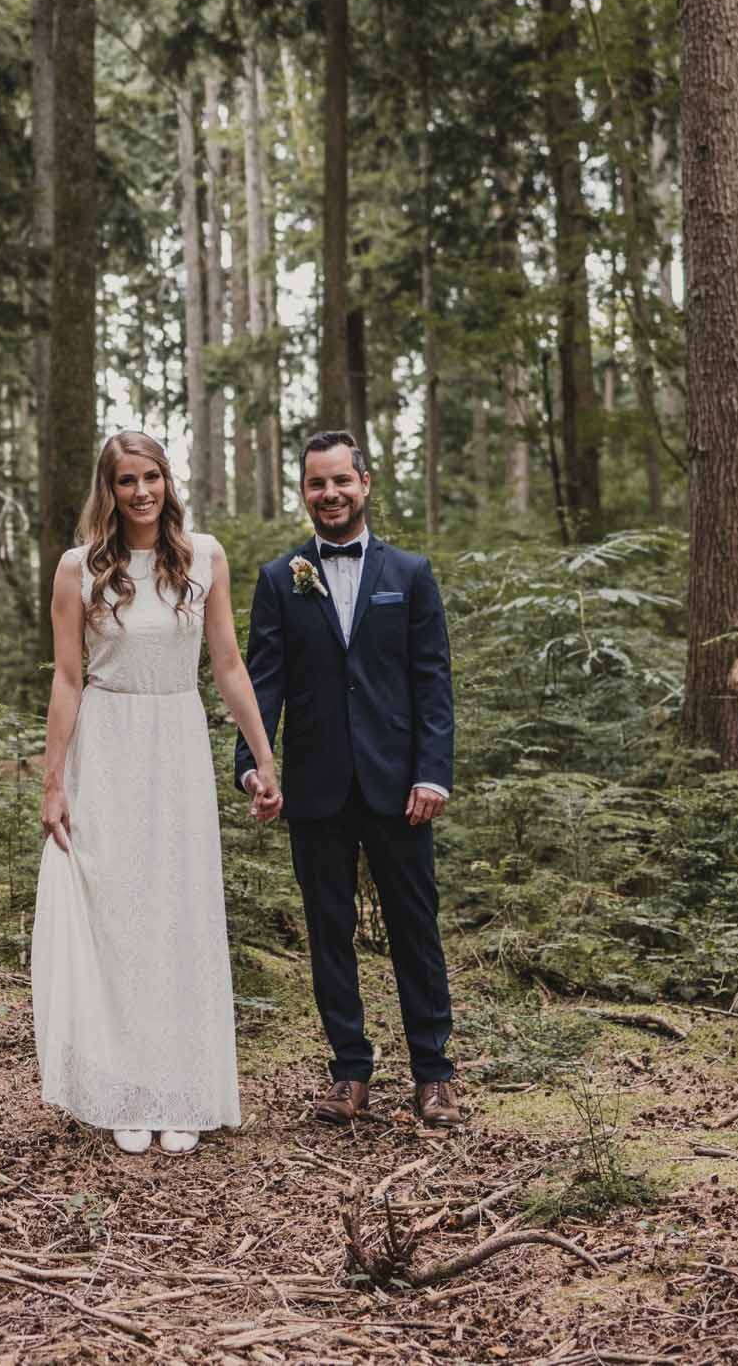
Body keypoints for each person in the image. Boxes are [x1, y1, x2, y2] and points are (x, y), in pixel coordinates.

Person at [31, 432, 283, 1156]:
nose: (141, 491)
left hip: (175, 739)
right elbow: (68, 678)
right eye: (125, 481)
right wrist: (53, 780)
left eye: (151, 477)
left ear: (168, 482)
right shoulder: (79, 569)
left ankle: (182, 1089)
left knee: (177, 908)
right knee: (119, 913)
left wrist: (265, 756)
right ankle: (124, 1091)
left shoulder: (204, 557)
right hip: (105, 745)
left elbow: (230, 665)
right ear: (106, 491)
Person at [236, 431, 461, 1128]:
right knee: (328, 931)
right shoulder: (280, 579)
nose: (329, 494)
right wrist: (253, 765)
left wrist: (433, 772)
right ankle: (349, 1072)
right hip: (317, 786)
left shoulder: (411, 573)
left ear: (365, 483)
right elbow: (261, 681)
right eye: (316, 484)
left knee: (414, 928)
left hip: (400, 787)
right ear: (302, 492)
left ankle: (434, 1074)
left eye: (341, 481)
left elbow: (433, 682)